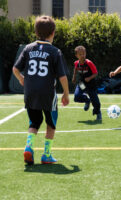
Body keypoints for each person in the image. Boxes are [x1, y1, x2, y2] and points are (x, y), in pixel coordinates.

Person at [12, 16, 69, 165]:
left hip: (30, 93)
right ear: (53, 33)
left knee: (34, 122)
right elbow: (62, 76)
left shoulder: (28, 48)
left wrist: (21, 79)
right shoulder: (55, 51)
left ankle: (29, 147)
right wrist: (66, 94)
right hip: (47, 94)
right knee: (51, 123)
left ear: (36, 33)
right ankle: (46, 155)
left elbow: (15, 69)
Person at [72, 45, 102, 121]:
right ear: (76, 56)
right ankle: (87, 100)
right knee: (77, 96)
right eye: (80, 54)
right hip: (82, 83)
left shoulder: (89, 63)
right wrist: (74, 77)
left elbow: (95, 73)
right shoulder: (76, 63)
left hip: (91, 84)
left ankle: (98, 113)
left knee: (96, 102)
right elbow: (75, 69)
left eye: (84, 53)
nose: (82, 55)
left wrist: (89, 78)